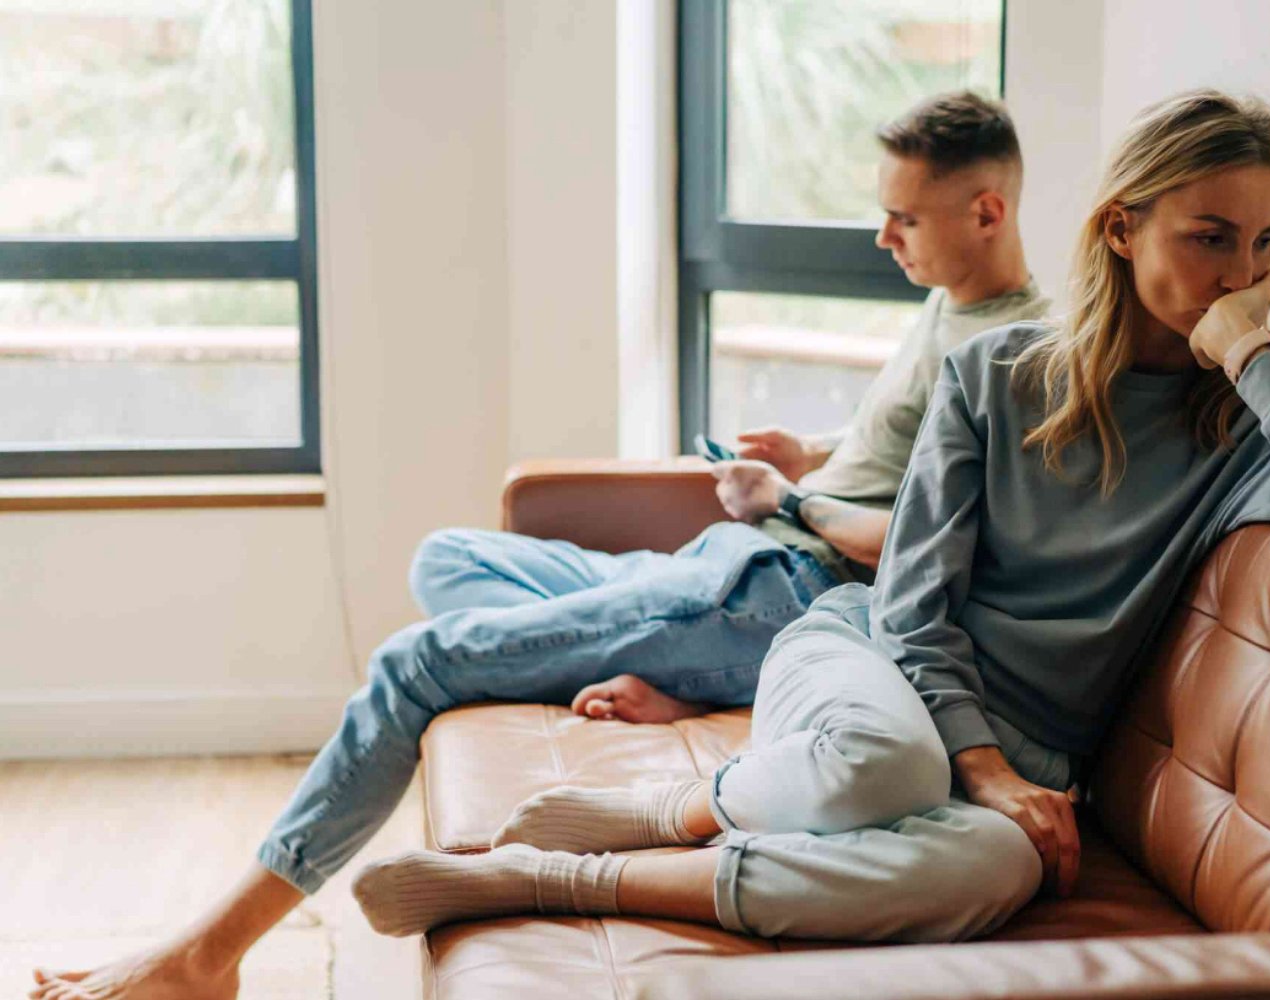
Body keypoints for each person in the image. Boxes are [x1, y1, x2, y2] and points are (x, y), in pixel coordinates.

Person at [27, 91, 1048, 1000]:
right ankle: (657, 660)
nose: (882, 236)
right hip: (725, 562)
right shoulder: (948, 303)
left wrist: (791, 497)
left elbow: (922, 554)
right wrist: (816, 452)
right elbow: (898, 454)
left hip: (779, 584)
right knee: (447, 558)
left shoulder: (1011, 354)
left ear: (987, 211)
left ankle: (207, 956)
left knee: (414, 661)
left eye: (904, 216)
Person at [344, 89, 1270, 945]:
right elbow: (908, 606)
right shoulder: (996, 374)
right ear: (1122, 231)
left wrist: (1255, 355)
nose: (1245, 276)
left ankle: (565, 878)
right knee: (890, 765)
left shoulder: (1239, 430)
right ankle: (690, 805)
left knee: (1000, 868)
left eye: (1267, 245)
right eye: (1213, 238)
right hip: (874, 666)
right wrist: (984, 769)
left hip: (1025, 751)